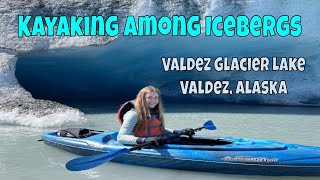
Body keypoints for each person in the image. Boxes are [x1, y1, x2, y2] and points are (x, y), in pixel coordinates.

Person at [117, 86, 195, 145]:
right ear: (142, 99)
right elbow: (121, 137)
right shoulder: (133, 114)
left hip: (160, 142)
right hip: (147, 145)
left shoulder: (155, 112)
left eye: (156, 98)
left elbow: (159, 129)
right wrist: (145, 140)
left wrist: (179, 131)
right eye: (149, 98)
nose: (153, 101)